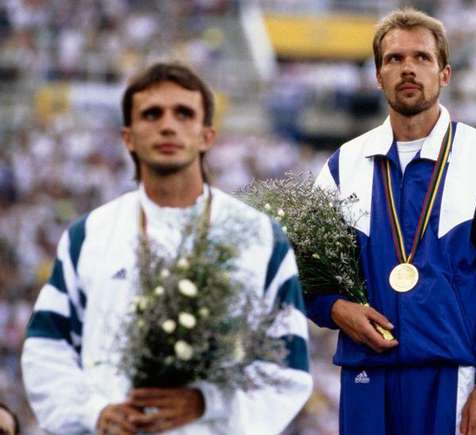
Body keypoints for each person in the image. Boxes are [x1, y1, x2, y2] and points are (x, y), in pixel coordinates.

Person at [21, 62, 312, 435]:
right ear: (128, 137)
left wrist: (207, 402)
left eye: (184, 113)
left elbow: (288, 367)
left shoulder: (259, 236)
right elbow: (47, 348)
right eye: (151, 114)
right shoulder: (90, 234)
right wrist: (94, 412)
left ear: (207, 135)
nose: (167, 125)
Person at [310, 7, 476, 435]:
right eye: (394, 59)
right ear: (377, 75)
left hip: (452, 374)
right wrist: (335, 309)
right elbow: (303, 272)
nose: (407, 69)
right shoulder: (344, 164)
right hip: (366, 372)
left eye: (421, 58)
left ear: (444, 73)